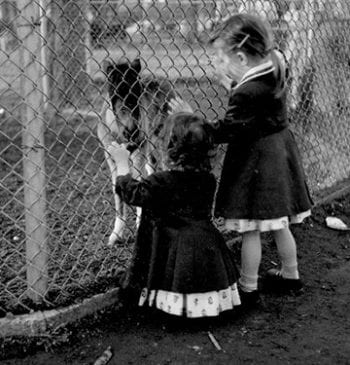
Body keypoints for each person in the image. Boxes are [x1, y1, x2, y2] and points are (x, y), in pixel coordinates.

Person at [169, 13, 313, 306]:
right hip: (280, 154)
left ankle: (248, 288)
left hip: (257, 164)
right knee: (279, 224)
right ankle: (291, 275)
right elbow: (256, 112)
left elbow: (229, 129)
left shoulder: (246, 93)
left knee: (251, 229)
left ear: (242, 58)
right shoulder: (276, 62)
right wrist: (231, 84)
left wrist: (191, 116)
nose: (218, 66)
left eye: (222, 60)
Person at [107, 112, 241, 319]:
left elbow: (133, 193)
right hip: (207, 245)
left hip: (177, 249)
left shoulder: (161, 181)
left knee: (175, 271)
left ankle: (176, 310)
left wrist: (123, 165)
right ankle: (206, 306)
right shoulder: (207, 179)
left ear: (170, 147)